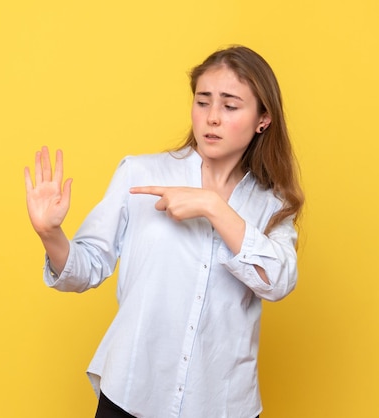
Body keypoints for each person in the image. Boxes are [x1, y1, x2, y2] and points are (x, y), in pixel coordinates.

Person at [23, 45, 304, 418]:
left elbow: (278, 282)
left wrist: (212, 206)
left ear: (263, 119)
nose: (212, 118)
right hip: (133, 391)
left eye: (230, 106)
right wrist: (50, 233)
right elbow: (86, 267)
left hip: (220, 404)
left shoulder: (272, 205)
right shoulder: (140, 175)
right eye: (203, 102)